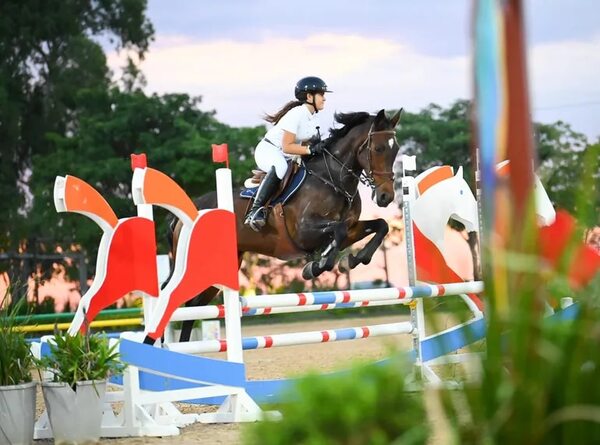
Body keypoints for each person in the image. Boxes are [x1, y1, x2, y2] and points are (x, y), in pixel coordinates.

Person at [244, 76, 332, 231]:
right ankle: (255, 211)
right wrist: (309, 150)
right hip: (269, 150)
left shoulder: (313, 119)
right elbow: (287, 146)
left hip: (288, 154)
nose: (324, 98)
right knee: (280, 167)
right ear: (309, 96)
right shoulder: (296, 114)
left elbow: (305, 145)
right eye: (321, 94)